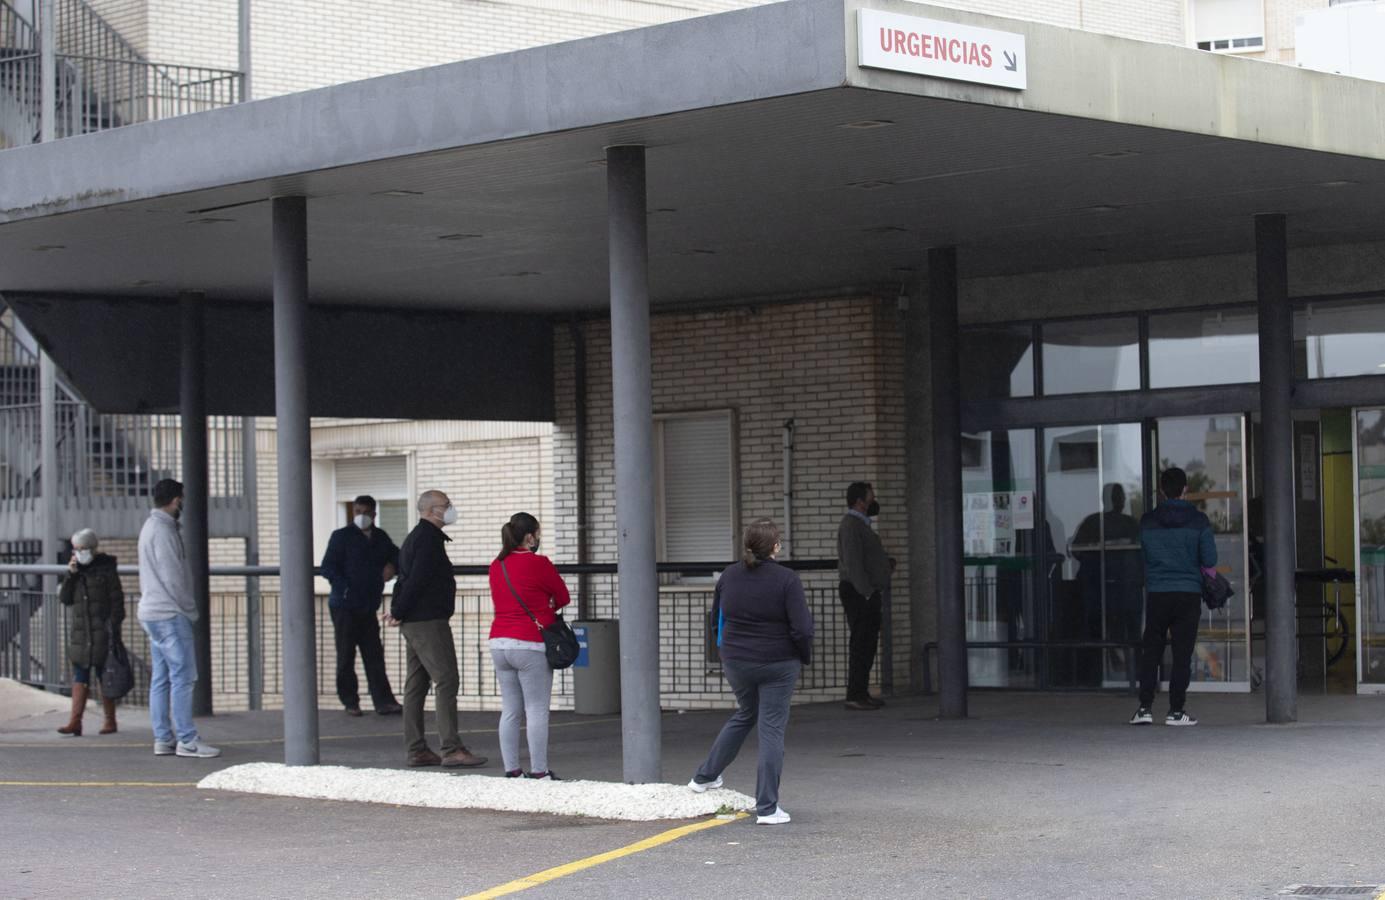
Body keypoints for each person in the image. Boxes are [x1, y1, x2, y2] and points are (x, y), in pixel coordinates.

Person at [690, 518, 812, 825]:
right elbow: (802, 628)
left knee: (746, 713)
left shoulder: (730, 576)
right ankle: (768, 808)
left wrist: (725, 651)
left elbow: (716, 618)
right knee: (771, 728)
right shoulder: (786, 579)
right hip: (777, 663)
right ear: (775, 546)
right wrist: (802, 656)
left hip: (736, 661)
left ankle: (704, 777)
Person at [386, 489, 487, 768]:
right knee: (446, 680)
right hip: (428, 621)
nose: (450, 508)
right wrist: (397, 611)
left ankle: (417, 749)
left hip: (415, 620)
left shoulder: (416, 538)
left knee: (416, 684)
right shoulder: (428, 540)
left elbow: (404, 580)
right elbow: (416, 580)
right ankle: (451, 748)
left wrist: (398, 611)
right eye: (446, 505)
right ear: (432, 510)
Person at [137, 479, 220, 758]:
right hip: (170, 614)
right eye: (181, 498)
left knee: (161, 677)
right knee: (184, 676)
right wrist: (190, 609)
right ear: (175, 500)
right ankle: (187, 739)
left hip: (152, 612)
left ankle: (163, 738)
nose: (183, 503)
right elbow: (174, 578)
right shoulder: (164, 531)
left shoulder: (150, 527)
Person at [488, 512, 571, 780]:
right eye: (537, 532)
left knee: (511, 709)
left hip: (499, 643)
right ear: (529, 536)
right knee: (536, 709)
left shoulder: (495, 565)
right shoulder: (540, 563)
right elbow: (563, 596)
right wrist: (547, 605)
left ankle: (512, 770)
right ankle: (539, 771)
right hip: (530, 644)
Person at [1131, 467, 1216, 727]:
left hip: (1157, 593)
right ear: (1185, 489)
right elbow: (1210, 561)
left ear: (1160, 490)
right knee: (1182, 653)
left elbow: (1143, 557)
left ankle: (1144, 708)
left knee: (1151, 651)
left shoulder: (1147, 521)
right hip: (1188, 594)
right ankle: (1176, 711)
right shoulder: (1199, 522)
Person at [321, 495, 403, 717]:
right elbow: (328, 567)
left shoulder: (380, 538)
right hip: (344, 606)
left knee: (373, 653)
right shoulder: (341, 537)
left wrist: (391, 566)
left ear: (374, 514)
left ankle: (384, 701)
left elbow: (399, 556)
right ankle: (350, 702)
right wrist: (345, 588)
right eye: (357, 511)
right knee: (346, 654)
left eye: (366, 512)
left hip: (367, 605)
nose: (361, 516)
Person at [55, 529, 125, 737]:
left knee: (105, 676)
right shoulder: (75, 572)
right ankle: (75, 722)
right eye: (76, 549)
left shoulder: (106, 569)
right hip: (81, 634)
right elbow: (65, 599)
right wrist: (70, 575)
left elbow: (117, 602)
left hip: (102, 632)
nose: (79, 553)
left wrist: (112, 627)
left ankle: (110, 720)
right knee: (80, 676)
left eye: (82, 549)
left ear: (92, 548)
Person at [836, 482, 892, 710]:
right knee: (861, 643)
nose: (873, 502)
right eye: (870, 498)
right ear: (860, 501)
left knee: (868, 643)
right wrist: (867, 591)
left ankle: (862, 691)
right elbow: (853, 562)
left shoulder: (861, 525)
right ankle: (855, 693)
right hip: (859, 593)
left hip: (866, 591)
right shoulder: (851, 526)